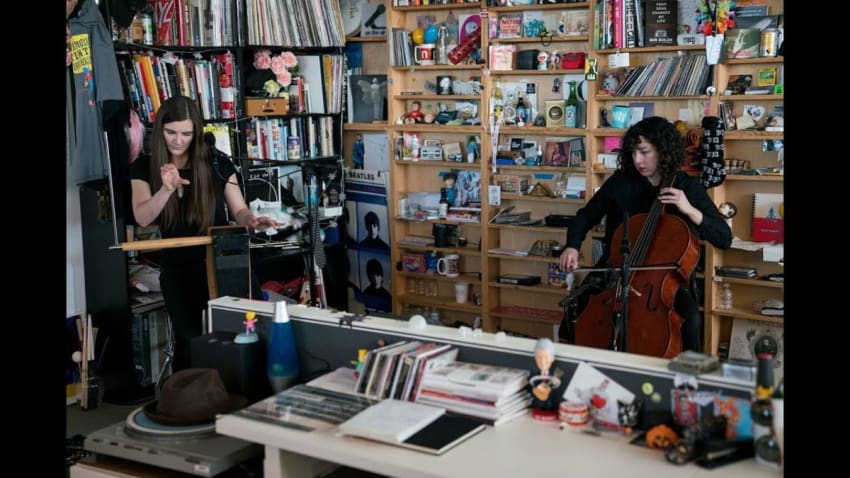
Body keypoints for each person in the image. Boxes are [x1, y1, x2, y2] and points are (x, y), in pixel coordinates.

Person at [558, 116, 732, 353]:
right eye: (633, 152)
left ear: (663, 151)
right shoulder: (621, 182)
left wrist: (690, 210)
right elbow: (586, 216)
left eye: (644, 152)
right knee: (575, 310)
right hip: (616, 270)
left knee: (691, 321)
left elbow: (723, 237)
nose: (637, 160)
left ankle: (685, 382)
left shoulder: (687, 187)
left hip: (663, 282)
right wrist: (572, 246)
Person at [130, 96, 279, 371]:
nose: (178, 140)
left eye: (186, 133)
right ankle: (193, 401)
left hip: (227, 261)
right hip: (178, 268)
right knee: (192, 340)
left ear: (197, 132)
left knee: (248, 331)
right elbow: (142, 217)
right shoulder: (144, 167)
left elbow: (239, 210)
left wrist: (253, 220)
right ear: (160, 129)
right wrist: (166, 189)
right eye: (171, 132)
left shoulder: (217, 162)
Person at [528, 338, 563, 417]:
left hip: (551, 407)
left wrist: (555, 382)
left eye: (546, 357)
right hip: (537, 406)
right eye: (539, 358)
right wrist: (537, 387)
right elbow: (531, 385)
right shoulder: (534, 376)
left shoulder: (553, 376)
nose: (543, 361)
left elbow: (557, 388)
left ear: (552, 358)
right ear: (535, 359)